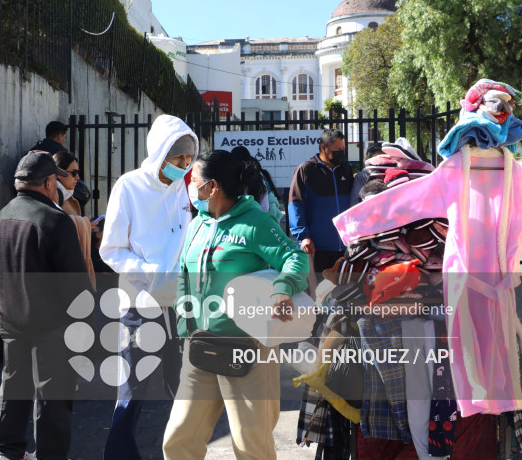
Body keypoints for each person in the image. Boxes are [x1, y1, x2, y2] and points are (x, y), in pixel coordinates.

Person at [162, 150, 309, 460]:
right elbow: (184, 275)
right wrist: (183, 327)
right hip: (200, 348)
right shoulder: (197, 225)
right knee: (178, 442)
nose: (191, 187)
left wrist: (282, 288)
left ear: (213, 187)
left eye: (196, 182)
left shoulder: (256, 222)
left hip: (247, 350)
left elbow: (295, 257)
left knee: (251, 447)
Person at [99, 114, 198, 460]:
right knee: (131, 392)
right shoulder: (128, 186)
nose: (184, 165)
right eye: (177, 158)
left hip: (182, 306)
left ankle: (184, 452)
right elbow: (110, 249)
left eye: (188, 159)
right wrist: (151, 272)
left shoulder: (186, 189)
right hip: (139, 307)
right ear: (159, 152)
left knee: (184, 389)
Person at [0, 151, 91, 460]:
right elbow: (76, 285)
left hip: (10, 319)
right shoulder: (55, 220)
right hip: (52, 325)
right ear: (47, 183)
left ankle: (7, 451)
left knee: (13, 385)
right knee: (53, 396)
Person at [288, 129, 353, 290]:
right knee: (319, 294)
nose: (341, 153)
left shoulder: (346, 169)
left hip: (346, 247)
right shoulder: (306, 170)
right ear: (324, 148)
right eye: (337, 150)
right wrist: (303, 236)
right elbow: (295, 205)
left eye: (343, 149)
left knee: (345, 294)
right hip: (318, 248)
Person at [53, 151, 96, 285]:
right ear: (60, 173)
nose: (77, 177)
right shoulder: (55, 198)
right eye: (74, 173)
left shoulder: (66, 195)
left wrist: (85, 224)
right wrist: (83, 224)